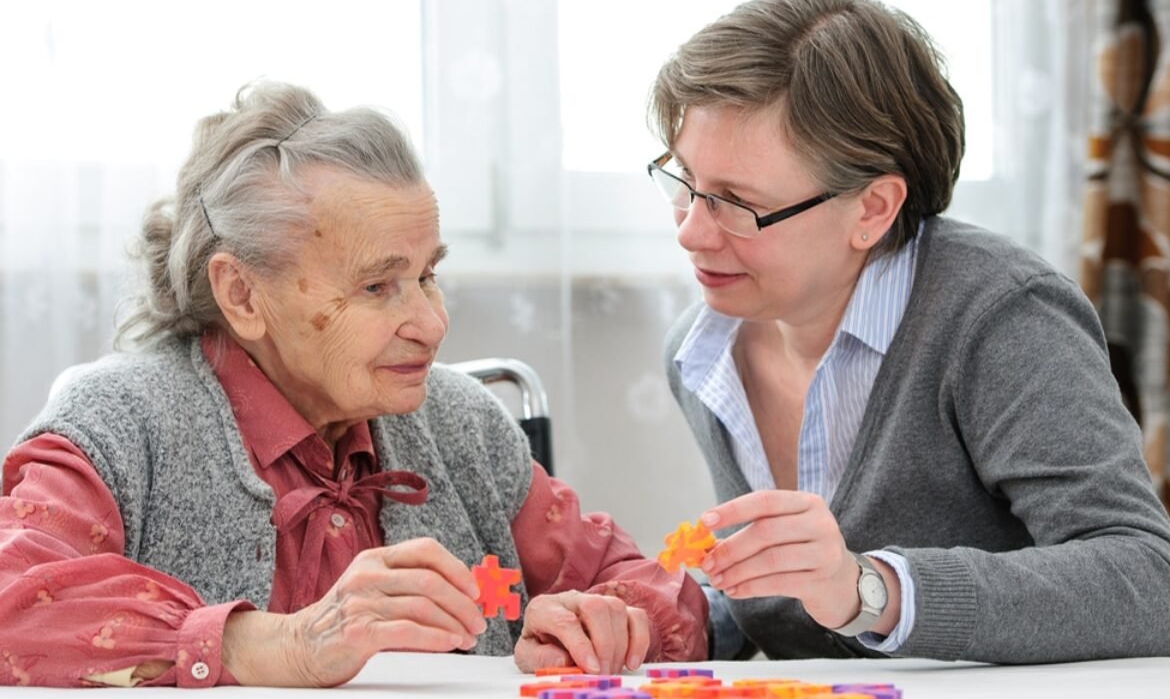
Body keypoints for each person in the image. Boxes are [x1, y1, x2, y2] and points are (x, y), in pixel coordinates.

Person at [0, 81, 707, 688]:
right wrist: (278, 645)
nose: (432, 324)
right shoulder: (122, 422)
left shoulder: (459, 423)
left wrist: (607, 624)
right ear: (242, 294)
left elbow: (660, 592)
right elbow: (12, 599)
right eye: (377, 286)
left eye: (428, 274)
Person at [646, 0, 1170, 663]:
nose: (692, 233)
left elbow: (1147, 584)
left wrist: (872, 590)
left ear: (873, 209)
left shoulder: (999, 319)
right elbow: (796, 606)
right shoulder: (702, 352)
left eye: (736, 203)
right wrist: (662, 619)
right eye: (685, 182)